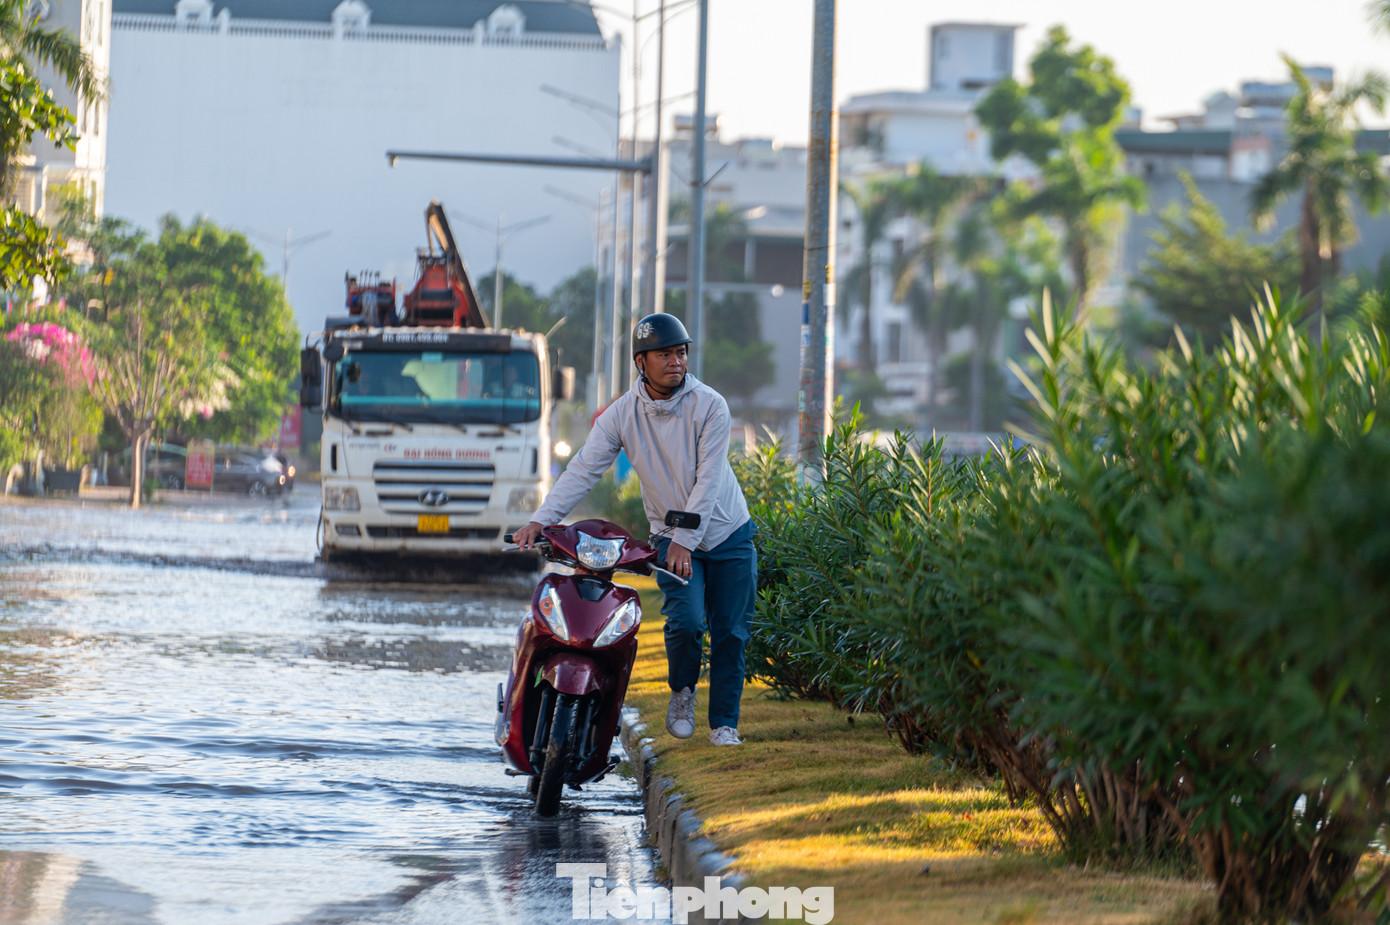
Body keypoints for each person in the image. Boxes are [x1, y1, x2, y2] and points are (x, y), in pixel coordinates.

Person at [513, 314, 756, 747]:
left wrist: (686, 540)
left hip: (728, 532)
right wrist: (541, 519)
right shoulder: (621, 415)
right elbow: (584, 469)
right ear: (641, 362)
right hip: (669, 533)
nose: (676, 361)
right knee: (686, 623)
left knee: (731, 633)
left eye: (681, 352)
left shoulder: (711, 405)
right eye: (665, 354)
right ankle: (682, 692)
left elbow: (708, 479)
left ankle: (724, 725)